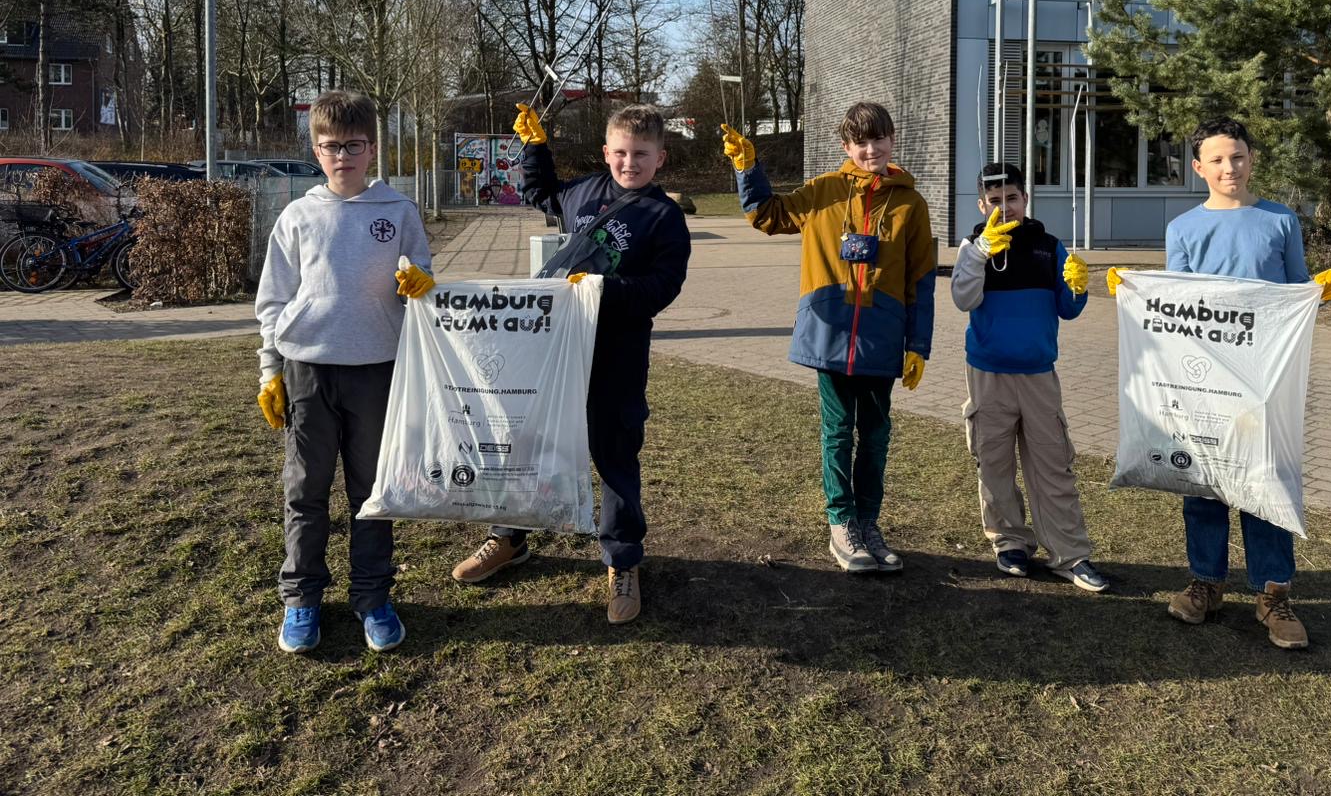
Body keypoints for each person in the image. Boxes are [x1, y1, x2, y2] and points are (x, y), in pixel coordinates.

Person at [1108, 116, 1331, 649]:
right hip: (1204, 380)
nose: (1229, 167)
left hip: (1264, 381)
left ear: (1251, 160)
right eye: (1216, 159)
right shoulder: (1184, 229)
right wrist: (1133, 292)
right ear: (1199, 168)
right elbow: (1175, 306)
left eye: (1237, 156)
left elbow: (1294, 294)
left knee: (1266, 483)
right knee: (1204, 481)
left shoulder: (1280, 221)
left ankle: (1273, 594)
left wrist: (1321, 293)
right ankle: (1206, 582)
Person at [450, 103, 690, 626]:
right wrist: (534, 149)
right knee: (526, 441)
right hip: (554, 348)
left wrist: (604, 289)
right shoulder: (584, 192)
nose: (629, 163)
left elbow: (663, 287)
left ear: (660, 158)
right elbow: (541, 193)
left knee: (615, 454)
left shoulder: (664, 217)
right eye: (620, 152)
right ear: (606, 152)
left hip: (617, 353)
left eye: (641, 154)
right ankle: (509, 536)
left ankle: (622, 559)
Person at [255, 90, 435, 654]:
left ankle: (373, 597)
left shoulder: (399, 212)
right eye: (331, 146)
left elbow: (421, 284)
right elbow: (273, 300)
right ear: (316, 150)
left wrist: (422, 288)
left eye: (353, 146)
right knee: (305, 491)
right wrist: (270, 370)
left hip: (377, 371)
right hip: (308, 370)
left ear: (372, 149)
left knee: (373, 493)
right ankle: (301, 599)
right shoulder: (298, 216)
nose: (342, 157)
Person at [721, 102, 935, 574]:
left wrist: (918, 345)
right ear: (846, 146)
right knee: (838, 432)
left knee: (876, 435)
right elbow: (765, 215)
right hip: (830, 335)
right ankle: (842, 525)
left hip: (882, 338)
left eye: (879, 139)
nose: (871, 149)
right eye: (861, 142)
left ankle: (868, 523)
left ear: (893, 139)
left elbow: (921, 280)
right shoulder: (822, 192)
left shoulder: (911, 205)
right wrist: (748, 168)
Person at [949, 162, 1109, 592]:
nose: (1005, 207)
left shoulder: (1048, 246)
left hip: (1038, 375)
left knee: (1053, 466)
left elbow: (1068, 309)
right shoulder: (972, 247)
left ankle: (1069, 554)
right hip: (988, 374)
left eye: (1012, 198)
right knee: (994, 464)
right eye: (994, 201)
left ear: (1025, 198)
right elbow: (963, 298)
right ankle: (1010, 542)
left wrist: (1078, 286)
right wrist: (980, 254)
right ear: (982, 205)